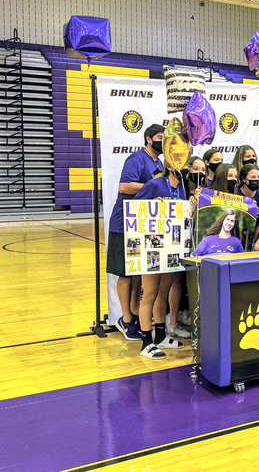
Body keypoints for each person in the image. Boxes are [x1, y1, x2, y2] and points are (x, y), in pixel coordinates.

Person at [108, 123, 164, 342]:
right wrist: (151, 188)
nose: (163, 141)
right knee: (124, 272)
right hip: (123, 224)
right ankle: (125, 319)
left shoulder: (158, 162)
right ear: (149, 139)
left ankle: (134, 316)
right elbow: (124, 187)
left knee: (138, 274)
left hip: (143, 226)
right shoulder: (136, 159)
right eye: (160, 137)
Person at [132, 162, 188, 358]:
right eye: (184, 164)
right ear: (171, 166)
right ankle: (146, 340)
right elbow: (134, 209)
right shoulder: (155, 184)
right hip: (151, 246)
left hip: (171, 247)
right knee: (149, 293)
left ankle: (160, 334)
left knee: (163, 291)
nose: (187, 167)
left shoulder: (181, 188)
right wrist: (150, 204)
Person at [237, 163, 259, 240]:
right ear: (244, 179)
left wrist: (252, 242)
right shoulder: (235, 194)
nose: (256, 179)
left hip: (254, 233)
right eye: (253, 177)